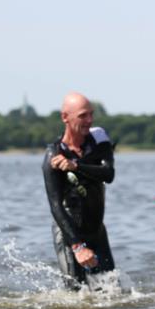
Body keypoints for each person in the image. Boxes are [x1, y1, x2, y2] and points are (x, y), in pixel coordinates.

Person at [43, 92, 116, 289]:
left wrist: (76, 166)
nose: (89, 120)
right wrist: (77, 247)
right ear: (65, 117)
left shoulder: (99, 138)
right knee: (75, 293)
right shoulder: (54, 155)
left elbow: (108, 174)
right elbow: (56, 206)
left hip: (96, 229)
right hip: (69, 233)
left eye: (91, 114)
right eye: (83, 116)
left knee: (112, 291)